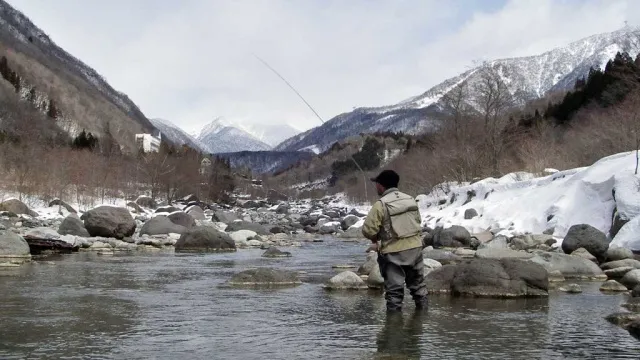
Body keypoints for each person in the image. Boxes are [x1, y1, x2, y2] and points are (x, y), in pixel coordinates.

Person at [362, 170, 428, 312]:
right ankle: (422, 320)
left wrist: (377, 238)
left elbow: (368, 230)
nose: (376, 187)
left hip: (393, 253)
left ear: (381, 186)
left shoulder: (380, 204)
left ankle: (393, 329)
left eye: (377, 184)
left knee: (394, 294)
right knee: (419, 289)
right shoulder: (410, 199)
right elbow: (418, 221)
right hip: (416, 249)